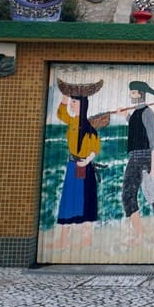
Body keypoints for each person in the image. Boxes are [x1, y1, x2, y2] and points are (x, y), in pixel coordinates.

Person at [119, 80, 154, 245]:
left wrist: (153, 168)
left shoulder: (148, 112)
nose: (131, 95)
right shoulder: (136, 113)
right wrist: (125, 116)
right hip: (134, 158)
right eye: (131, 93)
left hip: (146, 158)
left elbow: (153, 140)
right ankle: (140, 234)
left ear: (141, 94)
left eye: (134, 93)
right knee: (128, 196)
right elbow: (137, 130)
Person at [49, 93, 100, 249]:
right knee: (68, 201)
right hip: (73, 165)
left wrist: (87, 161)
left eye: (74, 103)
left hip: (83, 166)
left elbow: (95, 147)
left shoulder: (90, 128)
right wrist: (64, 98)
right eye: (71, 103)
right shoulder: (72, 121)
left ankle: (86, 239)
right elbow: (61, 114)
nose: (71, 105)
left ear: (82, 106)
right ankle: (62, 239)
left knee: (86, 202)